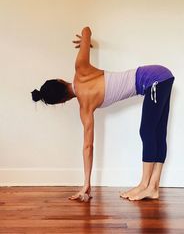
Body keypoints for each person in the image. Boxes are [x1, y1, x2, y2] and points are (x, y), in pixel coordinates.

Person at [31, 26, 175, 202]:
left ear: (61, 101)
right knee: (157, 132)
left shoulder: (84, 108)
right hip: (160, 75)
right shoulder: (80, 67)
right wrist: (85, 42)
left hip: (154, 80)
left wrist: (86, 184)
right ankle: (153, 187)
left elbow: (87, 147)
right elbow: (86, 29)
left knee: (147, 131)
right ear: (60, 80)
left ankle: (144, 185)